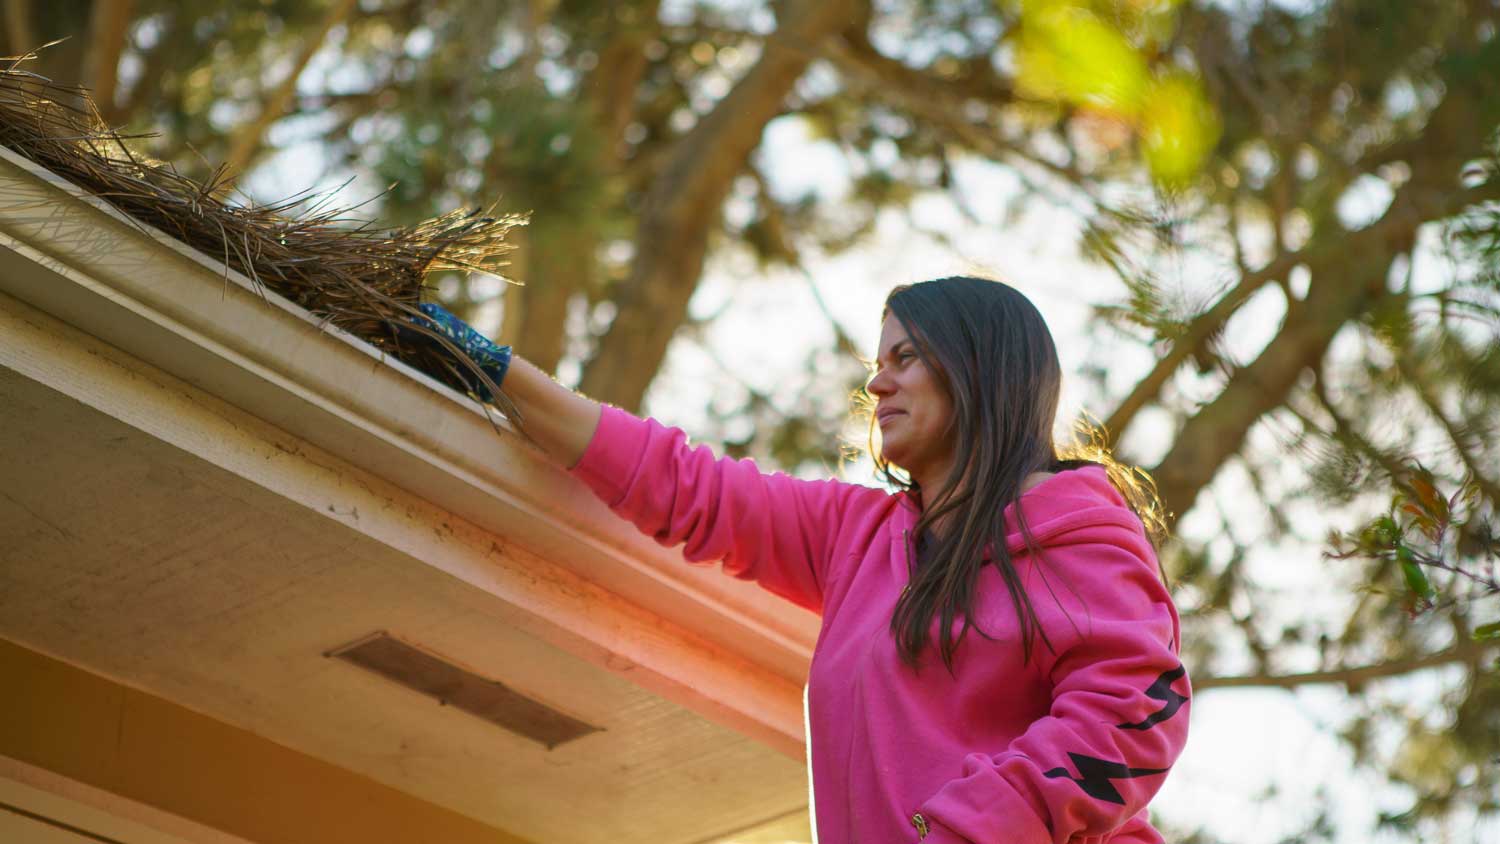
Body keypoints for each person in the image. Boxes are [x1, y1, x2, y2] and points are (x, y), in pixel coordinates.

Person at [408, 275, 1190, 843]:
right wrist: (488, 364)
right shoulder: (858, 537)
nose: (878, 382)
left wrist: (967, 829)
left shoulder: (1078, 528)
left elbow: (1134, 713)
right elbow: (684, 487)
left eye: (907, 356)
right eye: (878, 362)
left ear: (979, 367)